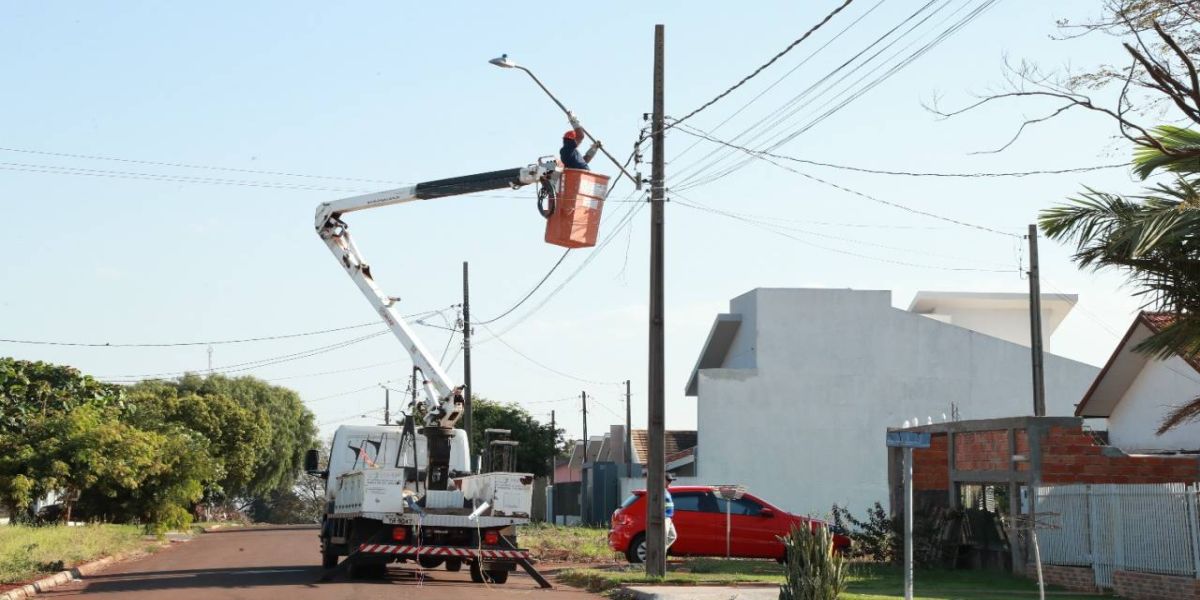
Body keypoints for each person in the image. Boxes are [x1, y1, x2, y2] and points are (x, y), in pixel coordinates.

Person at [664, 473, 677, 552]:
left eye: (671, 480)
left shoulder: (666, 491)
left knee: (673, 536)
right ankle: (660, 553)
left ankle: (661, 550)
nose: (670, 482)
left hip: (668, 517)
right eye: (668, 480)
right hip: (664, 517)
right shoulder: (659, 491)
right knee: (663, 538)